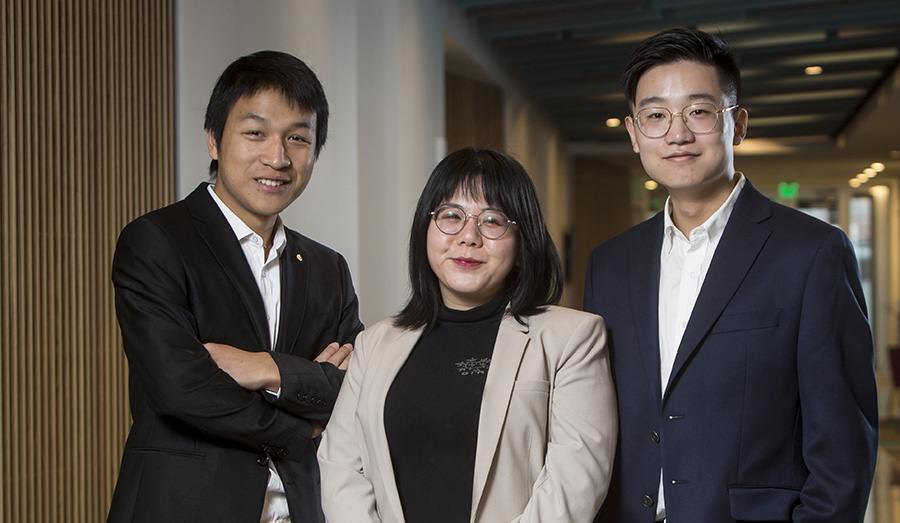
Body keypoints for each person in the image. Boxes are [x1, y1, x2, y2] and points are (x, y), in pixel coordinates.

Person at [584, 27, 878, 522]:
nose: (676, 133)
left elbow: (843, 452)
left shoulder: (811, 253)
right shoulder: (610, 264)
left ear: (737, 124)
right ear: (634, 134)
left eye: (698, 111)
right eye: (655, 116)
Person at [108, 50, 364, 523]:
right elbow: (181, 387)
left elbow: (360, 388)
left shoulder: (329, 268)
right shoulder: (158, 241)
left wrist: (264, 369)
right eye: (255, 133)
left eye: (298, 138)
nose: (278, 157)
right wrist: (300, 426)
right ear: (213, 140)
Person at [317, 147, 617, 522]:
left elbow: (573, 485)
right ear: (425, 231)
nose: (468, 236)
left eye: (492, 221)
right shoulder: (375, 343)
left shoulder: (572, 338)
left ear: (523, 243)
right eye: (451, 216)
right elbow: (342, 467)